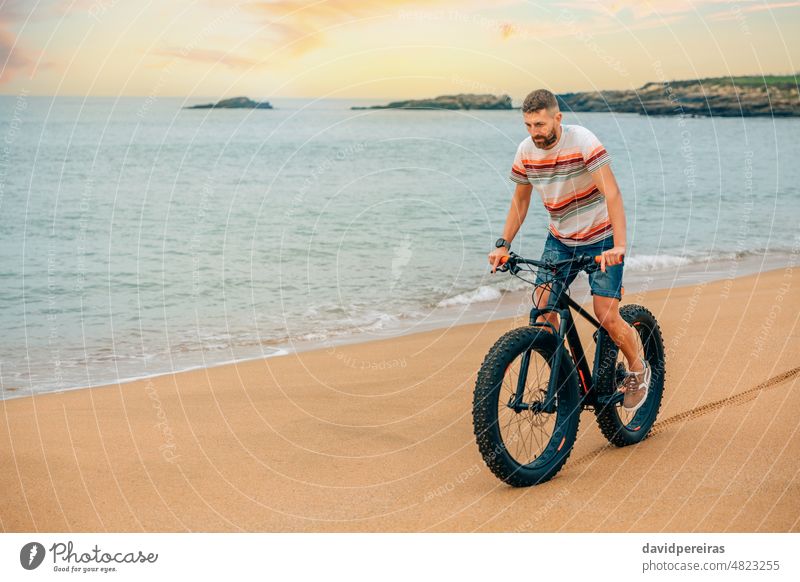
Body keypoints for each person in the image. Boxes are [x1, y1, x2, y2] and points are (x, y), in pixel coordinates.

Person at [488, 88, 650, 412]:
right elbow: (521, 200)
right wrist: (504, 245)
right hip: (560, 240)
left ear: (557, 118)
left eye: (541, 124)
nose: (535, 132)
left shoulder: (583, 142)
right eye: (529, 125)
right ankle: (567, 379)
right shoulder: (525, 151)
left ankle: (637, 368)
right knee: (543, 307)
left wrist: (618, 246)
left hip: (601, 238)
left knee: (605, 313)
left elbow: (613, 193)